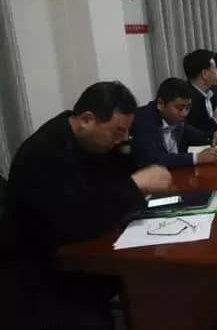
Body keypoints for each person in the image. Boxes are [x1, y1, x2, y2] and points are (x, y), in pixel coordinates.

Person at [1, 81, 172, 329]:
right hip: (44, 275)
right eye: (117, 131)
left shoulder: (91, 142)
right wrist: (134, 185)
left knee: (157, 278)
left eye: (126, 132)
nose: (122, 139)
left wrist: (128, 157)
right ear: (87, 120)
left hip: (85, 256)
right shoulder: (43, 153)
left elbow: (111, 183)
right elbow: (78, 219)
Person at [130, 78, 217, 169]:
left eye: (188, 108)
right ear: (161, 104)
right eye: (179, 108)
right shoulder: (143, 119)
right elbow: (156, 159)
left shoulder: (175, 119)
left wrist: (214, 136)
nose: (184, 113)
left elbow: (194, 134)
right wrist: (196, 158)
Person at [182, 49, 217, 133]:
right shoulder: (187, 98)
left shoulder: (210, 93)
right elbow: (195, 133)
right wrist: (216, 120)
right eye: (215, 68)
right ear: (205, 74)